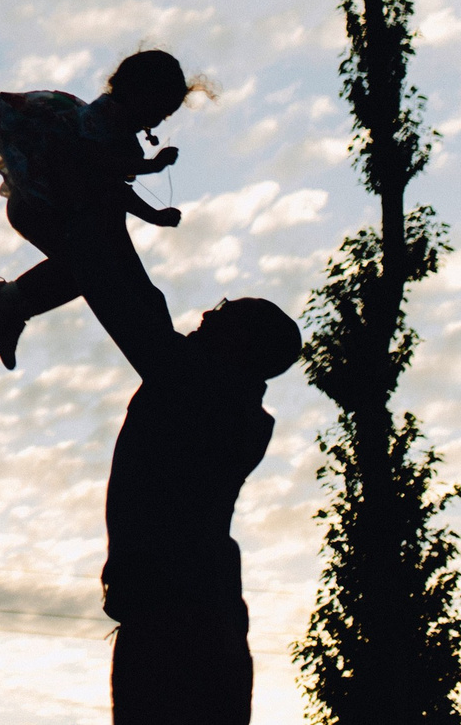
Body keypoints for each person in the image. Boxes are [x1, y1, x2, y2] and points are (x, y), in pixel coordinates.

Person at [84, 265, 303, 725]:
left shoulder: (197, 383)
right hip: (194, 620)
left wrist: (82, 221)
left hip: (176, 627)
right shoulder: (231, 403)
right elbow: (140, 297)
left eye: (224, 312)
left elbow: (110, 288)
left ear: (241, 343)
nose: (206, 313)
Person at [0, 49, 196, 371]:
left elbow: (116, 189)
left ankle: (9, 306)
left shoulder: (117, 137)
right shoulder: (94, 120)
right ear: (134, 92)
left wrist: (153, 215)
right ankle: (6, 303)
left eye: (165, 114)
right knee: (110, 281)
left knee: (107, 282)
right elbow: (93, 162)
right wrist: (149, 166)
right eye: (157, 109)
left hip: (77, 218)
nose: (157, 120)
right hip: (45, 211)